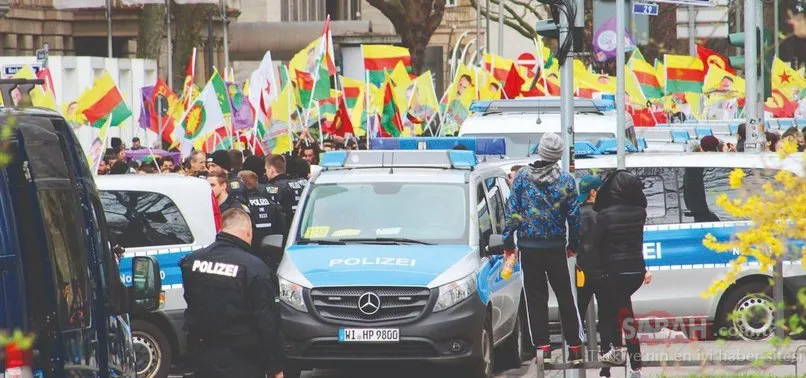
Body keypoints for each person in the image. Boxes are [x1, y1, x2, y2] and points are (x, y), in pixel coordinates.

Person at [502, 132, 584, 364]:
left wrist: (509, 242)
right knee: (565, 295)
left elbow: (512, 213)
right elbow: (575, 216)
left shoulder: (523, 178)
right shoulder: (566, 180)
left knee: (536, 298)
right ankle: (575, 347)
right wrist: (573, 244)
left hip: (529, 248)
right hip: (556, 247)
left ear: (540, 151)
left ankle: (543, 349)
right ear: (558, 156)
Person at [179, 208, 285, 378]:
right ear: (248, 232)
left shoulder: (192, 261)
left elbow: (191, 301)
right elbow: (268, 323)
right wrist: (275, 367)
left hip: (203, 356)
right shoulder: (255, 268)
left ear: (222, 229)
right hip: (243, 360)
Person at [592, 170, 652, 378]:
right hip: (635, 270)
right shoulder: (640, 213)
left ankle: (613, 356)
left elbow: (596, 245)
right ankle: (634, 365)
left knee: (609, 313)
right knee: (625, 311)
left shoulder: (605, 216)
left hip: (613, 271)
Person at [574, 175, 612, 377]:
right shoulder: (604, 215)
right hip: (603, 271)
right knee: (606, 316)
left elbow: (572, 245)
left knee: (577, 315)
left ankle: (576, 360)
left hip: (581, 272)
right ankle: (606, 363)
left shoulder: (577, 214)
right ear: (594, 193)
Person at [238, 170, 288, 270]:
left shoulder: (241, 206)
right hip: (271, 254)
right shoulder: (271, 204)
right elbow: (282, 229)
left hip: (249, 254)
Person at [265, 155, 305, 221]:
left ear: (271, 170)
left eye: (266, 169)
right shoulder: (299, 184)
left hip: (287, 226)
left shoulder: (274, 188)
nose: (265, 173)